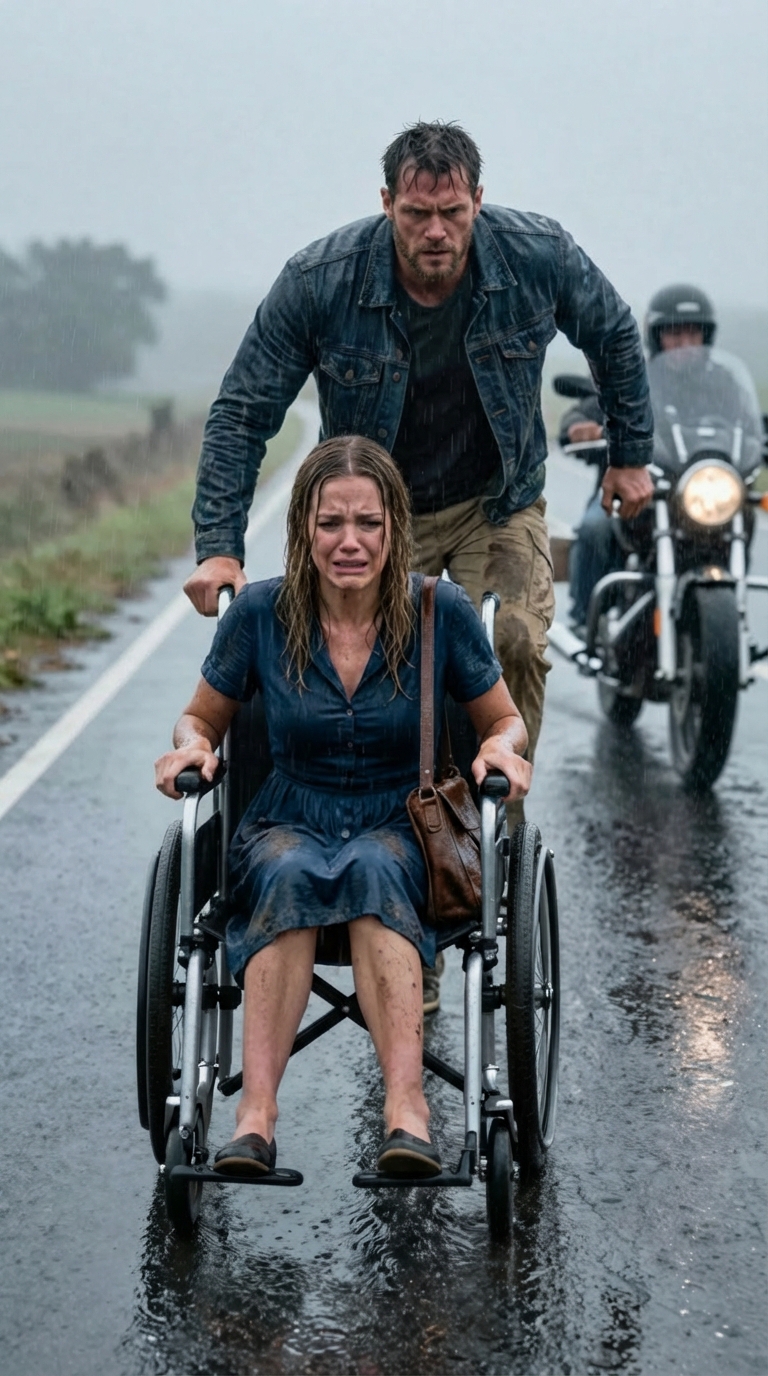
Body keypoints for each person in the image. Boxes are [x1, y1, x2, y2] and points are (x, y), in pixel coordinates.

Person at [183, 119, 654, 1009]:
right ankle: (400, 876)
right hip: (377, 513)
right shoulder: (322, 279)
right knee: (391, 678)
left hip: (495, 499)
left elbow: (616, 336)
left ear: (478, 201)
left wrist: (630, 453)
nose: (435, 232)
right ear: (386, 205)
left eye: (451, 212)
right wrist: (218, 546)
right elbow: (244, 410)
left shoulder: (537, 254)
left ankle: (483, 832)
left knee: (512, 636)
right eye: (415, 214)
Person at [155, 436, 531, 1179]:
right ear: (303, 528)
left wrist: (500, 750)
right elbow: (201, 718)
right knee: (288, 872)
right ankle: (254, 1119)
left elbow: (504, 718)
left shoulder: (439, 612)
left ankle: (407, 1111)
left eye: (368, 523)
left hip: (399, 820)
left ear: (394, 528)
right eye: (331, 524)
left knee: (373, 869)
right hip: (289, 814)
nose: (349, 542)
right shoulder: (261, 613)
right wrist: (192, 748)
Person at [562, 284, 716, 632]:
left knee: (741, 520)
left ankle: (730, 610)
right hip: (637, 492)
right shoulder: (632, 377)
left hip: (697, 496)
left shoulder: (722, 384)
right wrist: (582, 429)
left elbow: (747, 426)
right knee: (595, 527)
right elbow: (579, 415)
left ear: (705, 338)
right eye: (674, 335)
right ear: (657, 338)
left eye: (691, 334)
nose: (683, 345)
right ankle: (584, 616)